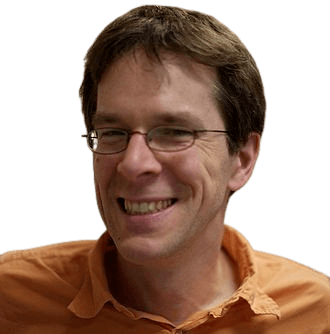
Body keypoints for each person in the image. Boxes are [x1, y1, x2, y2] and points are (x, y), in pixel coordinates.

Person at [0, 4, 329, 333]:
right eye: (114, 133)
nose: (133, 164)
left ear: (242, 160)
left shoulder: (318, 314)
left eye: (175, 133)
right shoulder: (10, 298)